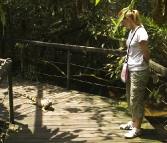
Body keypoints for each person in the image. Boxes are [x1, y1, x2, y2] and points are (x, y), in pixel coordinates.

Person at [118, 9, 150, 139]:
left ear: (128, 19)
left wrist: (145, 65)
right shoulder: (132, 32)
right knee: (130, 97)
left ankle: (137, 129)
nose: (121, 24)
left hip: (139, 70)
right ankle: (133, 122)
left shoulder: (141, 32)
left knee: (136, 99)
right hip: (131, 68)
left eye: (122, 21)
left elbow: (146, 53)